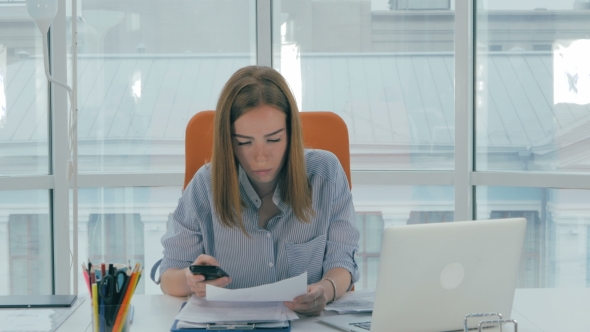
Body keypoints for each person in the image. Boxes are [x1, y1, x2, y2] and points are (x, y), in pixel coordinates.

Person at [150, 65, 359, 316]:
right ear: (228, 140)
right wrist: (190, 278)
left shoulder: (326, 174)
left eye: (273, 139)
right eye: (244, 142)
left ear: (291, 134)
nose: (261, 157)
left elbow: (343, 262)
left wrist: (326, 290)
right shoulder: (205, 185)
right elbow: (168, 275)